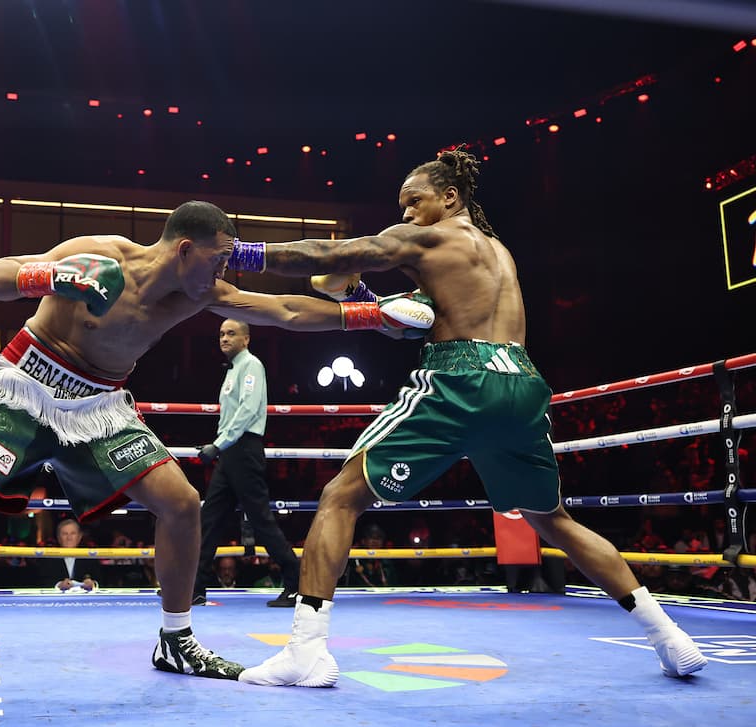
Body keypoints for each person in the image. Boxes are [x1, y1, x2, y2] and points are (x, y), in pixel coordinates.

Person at [0, 199, 435, 707]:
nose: (226, 277)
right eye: (220, 259)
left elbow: (284, 312)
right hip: (25, 383)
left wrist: (370, 316)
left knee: (182, 504)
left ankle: (175, 638)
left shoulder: (202, 293)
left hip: (99, 405)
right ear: (184, 247)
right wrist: (54, 281)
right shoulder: (101, 253)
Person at [231, 147, 707, 687]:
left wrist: (243, 253)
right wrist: (372, 299)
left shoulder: (429, 238)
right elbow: (423, 313)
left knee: (341, 496)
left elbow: (330, 254)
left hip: (461, 376)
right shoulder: (498, 252)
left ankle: (306, 651)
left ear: (450, 197)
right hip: (522, 380)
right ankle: (669, 636)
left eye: (415, 201)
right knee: (552, 519)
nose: (406, 213)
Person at [192, 318, 300, 608]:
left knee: (261, 520)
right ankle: (196, 587)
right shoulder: (233, 369)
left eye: (231, 333)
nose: (224, 338)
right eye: (221, 334)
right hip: (230, 452)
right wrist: (221, 446)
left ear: (246, 339)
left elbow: (248, 410)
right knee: (210, 519)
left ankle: (295, 582)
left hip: (243, 449)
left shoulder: (251, 365)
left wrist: (218, 445)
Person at [37, 517, 103, 591]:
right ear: (58, 537)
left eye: (73, 533)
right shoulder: (48, 559)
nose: (69, 537)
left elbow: (101, 581)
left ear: (79, 536)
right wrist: (59, 585)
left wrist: (93, 584)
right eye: (65, 534)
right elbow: (41, 582)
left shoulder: (89, 557)